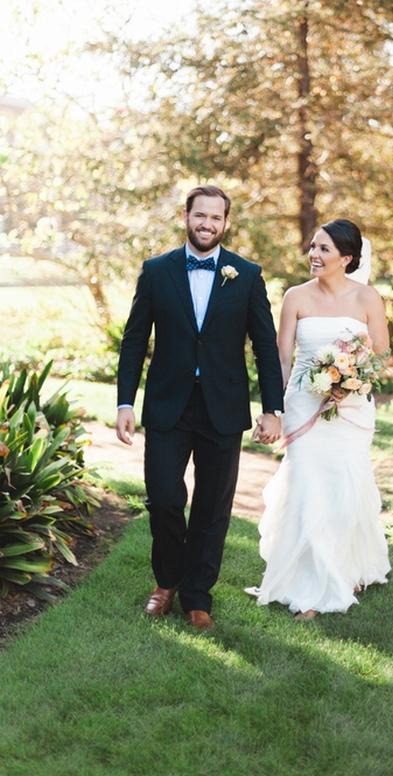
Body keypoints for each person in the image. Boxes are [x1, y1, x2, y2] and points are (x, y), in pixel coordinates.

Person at [115, 185, 284, 629]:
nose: (207, 224)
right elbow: (135, 341)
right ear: (186, 217)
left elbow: (265, 345)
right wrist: (124, 402)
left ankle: (197, 596)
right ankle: (167, 580)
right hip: (168, 405)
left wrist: (273, 407)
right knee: (165, 498)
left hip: (223, 406)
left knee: (213, 506)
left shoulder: (246, 274)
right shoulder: (156, 271)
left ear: (226, 223)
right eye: (200, 216)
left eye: (216, 217)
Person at [250, 219, 391, 620]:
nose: (314, 254)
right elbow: (279, 358)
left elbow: (381, 355)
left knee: (344, 489)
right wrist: (272, 410)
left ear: (347, 258)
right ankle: (310, 588)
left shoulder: (368, 299)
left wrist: (349, 380)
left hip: (350, 409)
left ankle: (344, 568)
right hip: (303, 405)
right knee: (309, 488)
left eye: (324, 249)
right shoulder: (296, 297)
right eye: (313, 246)